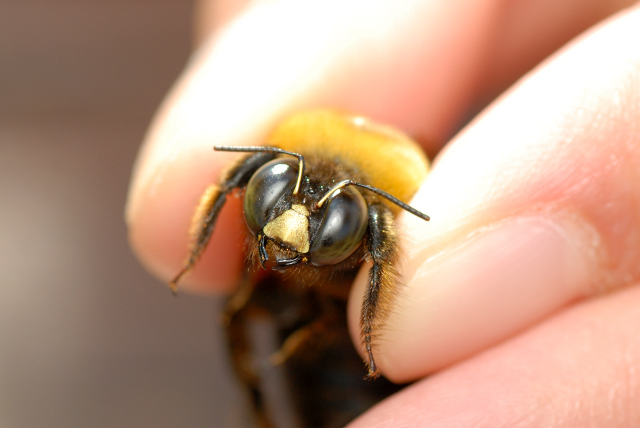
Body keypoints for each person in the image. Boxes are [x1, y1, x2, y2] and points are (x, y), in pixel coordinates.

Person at [126, 1, 640, 425]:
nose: (292, 230)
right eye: (275, 194)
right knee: (244, 306)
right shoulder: (276, 178)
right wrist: (196, 252)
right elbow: (227, 182)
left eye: (329, 223)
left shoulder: (389, 221)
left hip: (380, 379)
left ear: (372, 228)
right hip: (304, 365)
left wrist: (372, 337)